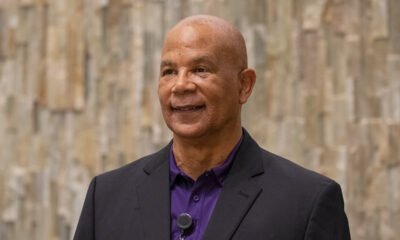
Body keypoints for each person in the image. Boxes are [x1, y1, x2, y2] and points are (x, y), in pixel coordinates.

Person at [73, 15, 351, 240]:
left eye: (200, 69)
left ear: (244, 86)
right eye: (169, 72)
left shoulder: (307, 201)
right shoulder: (107, 196)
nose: (181, 85)